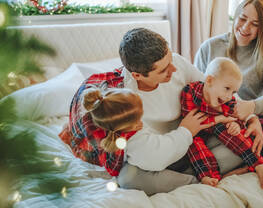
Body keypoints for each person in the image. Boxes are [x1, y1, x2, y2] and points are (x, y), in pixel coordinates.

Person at [59, 28, 238, 195]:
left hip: (193, 142)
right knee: (129, 177)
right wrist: (186, 131)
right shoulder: (127, 103)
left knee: (243, 139)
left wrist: (246, 115)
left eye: (171, 60)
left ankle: (202, 169)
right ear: (137, 75)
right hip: (158, 154)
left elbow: (213, 89)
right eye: (163, 70)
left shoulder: (175, 64)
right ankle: (196, 179)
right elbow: (151, 158)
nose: (173, 69)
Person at [194, 0, 263, 168]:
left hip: (250, 117)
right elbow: (195, 87)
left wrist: (251, 109)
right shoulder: (210, 47)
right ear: (235, 16)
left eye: (255, 24)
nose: (245, 28)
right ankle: (225, 164)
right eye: (243, 19)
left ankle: (233, 163)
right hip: (213, 116)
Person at [181, 57, 263, 188]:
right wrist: (218, 118)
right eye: (227, 88)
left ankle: (257, 163)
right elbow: (191, 121)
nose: (229, 96)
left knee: (226, 128)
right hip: (197, 130)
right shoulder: (190, 92)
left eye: (234, 92)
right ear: (210, 81)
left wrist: (235, 125)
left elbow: (235, 118)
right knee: (192, 141)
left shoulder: (228, 101)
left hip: (216, 132)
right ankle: (209, 176)